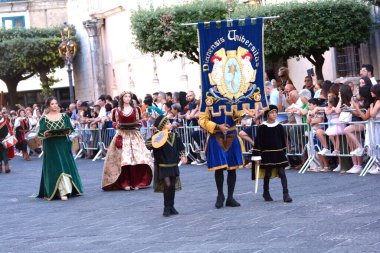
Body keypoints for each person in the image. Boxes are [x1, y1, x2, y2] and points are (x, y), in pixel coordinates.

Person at [102, 91, 153, 191]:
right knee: (124, 160)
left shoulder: (136, 109)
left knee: (137, 159)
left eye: (129, 96)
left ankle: (136, 182)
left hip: (134, 135)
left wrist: (137, 125)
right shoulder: (116, 110)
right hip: (122, 135)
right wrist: (117, 126)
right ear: (122, 98)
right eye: (125, 96)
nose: (128, 98)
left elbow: (139, 122)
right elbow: (114, 123)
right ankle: (125, 182)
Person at [37, 97, 84, 200]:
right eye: (52, 104)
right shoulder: (44, 118)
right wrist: (47, 133)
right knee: (55, 167)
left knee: (64, 165)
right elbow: (40, 133)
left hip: (63, 144)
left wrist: (67, 131)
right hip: (50, 146)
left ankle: (67, 190)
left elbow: (70, 129)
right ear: (48, 106)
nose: (55, 105)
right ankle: (60, 191)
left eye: (56, 103)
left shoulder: (64, 117)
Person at [198, 105, 245, 209]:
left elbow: (238, 116)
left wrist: (241, 113)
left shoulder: (232, 98)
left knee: (232, 168)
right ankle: (220, 195)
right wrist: (218, 126)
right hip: (216, 136)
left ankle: (230, 197)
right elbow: (202, 120)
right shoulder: (207, 100)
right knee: (219, 167)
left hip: (231, 135)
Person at [252, 105, 292, 203]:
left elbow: (283, 141)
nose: (274, 114)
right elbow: (258, 142)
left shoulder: (279, 126)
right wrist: (257, 155)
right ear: (267, 114)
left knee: (282, 173)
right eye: (271, 112)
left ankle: (286, 194)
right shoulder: (262, 127)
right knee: (268, 173)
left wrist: (284, 150)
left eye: (275, 112)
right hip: (267, 154)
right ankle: (266, 192)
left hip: (278, 153)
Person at [152, 115, 187, 217]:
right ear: (162, 127)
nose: (170, 124)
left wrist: (183, 156)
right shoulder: (157, 138)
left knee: (172, 185)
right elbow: (150, 145)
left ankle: (171, 206)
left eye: (169, 123)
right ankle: (166, 207)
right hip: (163, 164)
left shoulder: (175, 136)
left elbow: (181, 147)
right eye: (167, 123)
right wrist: (155, 136)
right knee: (167, 184)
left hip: (173, 164)